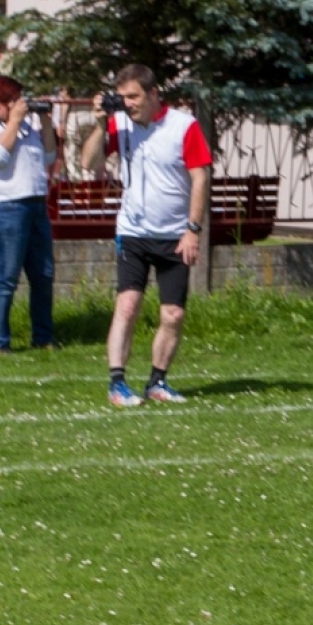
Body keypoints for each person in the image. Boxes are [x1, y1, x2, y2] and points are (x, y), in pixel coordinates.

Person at [79, 64, 213, 407]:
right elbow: (88, 163)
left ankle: (158, 381)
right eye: (122, 97)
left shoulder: (183, 125)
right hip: (133, 232)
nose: (128, 103)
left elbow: (199, 177)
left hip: (174, 235)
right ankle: (117, 384)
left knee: (173, 314)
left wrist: (192, 229)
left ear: (154, 93)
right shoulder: (119, 123)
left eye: (133, 96)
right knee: (127, 304)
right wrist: (100, 124)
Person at [0, 74, 58, 353]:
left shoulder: (25, 126)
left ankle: (43, 337)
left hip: (35, 204)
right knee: (7, 277)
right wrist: (14, 122)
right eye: (12, 101)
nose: (19, 106)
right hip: (4, 207)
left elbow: (49, 156)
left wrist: (46, 122)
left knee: (43, 275)